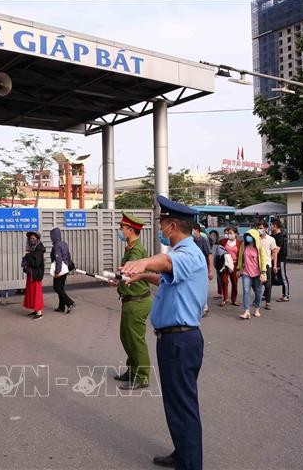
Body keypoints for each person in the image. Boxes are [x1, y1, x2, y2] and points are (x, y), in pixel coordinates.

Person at [120, 196, 207, 470]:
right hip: (173, 340)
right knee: (175, 403)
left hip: (180, 341)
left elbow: (166, 264)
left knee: (183, 405)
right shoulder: (182, 254)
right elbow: (166, 278)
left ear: (171, 226)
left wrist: (144, 262)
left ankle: (190, 464)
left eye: (162, 224)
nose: (160, 229)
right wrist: (143, 276)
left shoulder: (186, 253)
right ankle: (182, 453)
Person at [113, 213, 152, 391]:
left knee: (135, 340)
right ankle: (132, 370)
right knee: (127, 337)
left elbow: (131, 273)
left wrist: (120, 278)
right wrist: (118, 279)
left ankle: (142, 376)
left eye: (122, 227)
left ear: (130, 230)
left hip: (137, 301)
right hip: (130, 299)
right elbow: (128, 274)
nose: (120, 230)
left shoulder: (135, 251)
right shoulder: (130, 248)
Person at [237, 229, 267, 320]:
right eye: (246, 236)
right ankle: (246, 311)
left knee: (258, 292)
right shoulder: (243, 245)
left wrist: (263, 272)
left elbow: (263, 260)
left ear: (254, 237)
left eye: (249, 236)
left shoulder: (260, 247)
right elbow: (240, 257)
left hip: (257, 273)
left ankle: (257, 309)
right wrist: (239, 269)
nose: (247, 237)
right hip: (246, 273)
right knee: (246, 291)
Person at [49, 227, 75, 314]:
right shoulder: (64, 243)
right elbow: (68, 255)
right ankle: (61, 307)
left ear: (54, 236)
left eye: (51, 235)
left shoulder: (57, 246)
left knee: (56, 288)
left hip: (60, 269)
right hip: (66, 268)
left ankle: (69, 302)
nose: (50, 237)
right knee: (61, 288)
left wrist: (57, 272)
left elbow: (58, 260)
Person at [255, 221, 279, 310]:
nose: (259, 230)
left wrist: (274, 265)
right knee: (257, 284)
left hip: (267, 265)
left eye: (261, 228)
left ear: (265, 228)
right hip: (256, 265)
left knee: (268, 285)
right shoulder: (255, 238)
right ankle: (257, 300)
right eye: (258, 228)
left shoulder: (271, 239)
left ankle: (268, 302)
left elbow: (274, 252)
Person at [22, 231, 45, 320]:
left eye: (33, 238)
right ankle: (36, 310)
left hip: (36, 274)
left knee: (36, 293)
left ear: (37, 239)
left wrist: (27, 257)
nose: (31, 240)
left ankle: (39, 313)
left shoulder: (38, 249)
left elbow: (36, 263)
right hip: (31, 273)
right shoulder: (33, 248)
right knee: (31, 292)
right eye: (30, 238)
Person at [192, 224, 213, 317]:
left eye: (192, 230)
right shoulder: (190, 241)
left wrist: (210, 270)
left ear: (197, 230)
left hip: (202, 268)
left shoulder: (203, 240)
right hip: (192, 268)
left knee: (203, 287)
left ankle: (205, 308)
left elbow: (209, 255)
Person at [219, 227, 242, 307]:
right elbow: (219, 251)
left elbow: (241, 255)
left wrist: (240, 267)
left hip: (235, 265)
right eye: (228, 233)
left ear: (235, 234)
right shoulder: (223, 242)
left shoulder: (239, 243)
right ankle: (225, 299)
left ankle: (234, 299)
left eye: (231, 233)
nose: (229, 235)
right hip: (225, 265)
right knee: (224, 281)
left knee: (234, 282)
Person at [271, 219, 290, 302]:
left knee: (283, 276)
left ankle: (286, 295)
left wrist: (270, 259)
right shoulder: (272, 236)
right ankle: (266, 294)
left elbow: (276, 251)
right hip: (273, 259)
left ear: (275, 225)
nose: (270, 226)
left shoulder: (280, 236)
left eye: (271, 225)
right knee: (270, 277)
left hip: (280, 260)